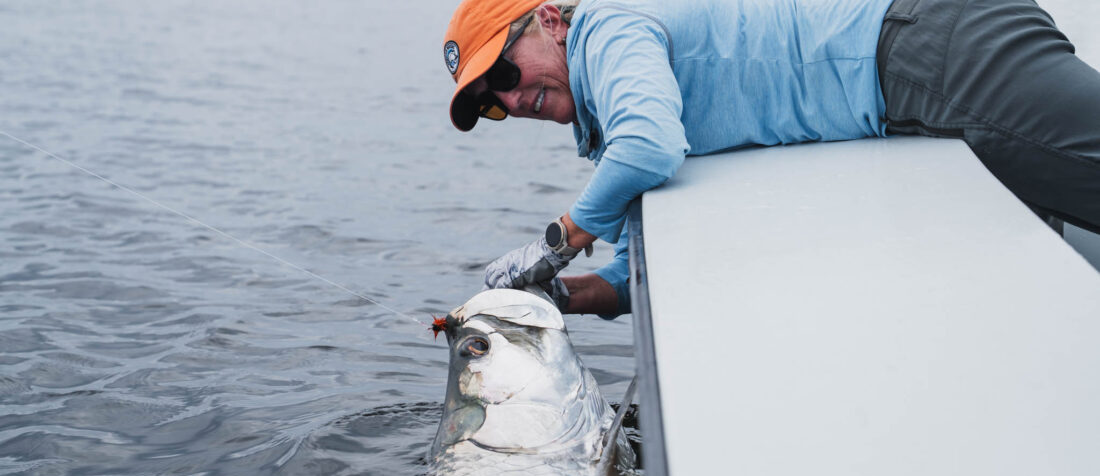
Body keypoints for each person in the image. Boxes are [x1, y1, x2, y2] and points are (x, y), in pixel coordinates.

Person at [442, 0, 1100, 319]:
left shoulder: (608, 33)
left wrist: (556, 242)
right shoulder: (604, 100)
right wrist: (564, 295)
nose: (509, 98)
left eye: (502, 69)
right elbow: (640, 205)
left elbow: (650, 146)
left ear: (551, 19)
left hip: (930, 53)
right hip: (918, 81)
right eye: (490, 102)